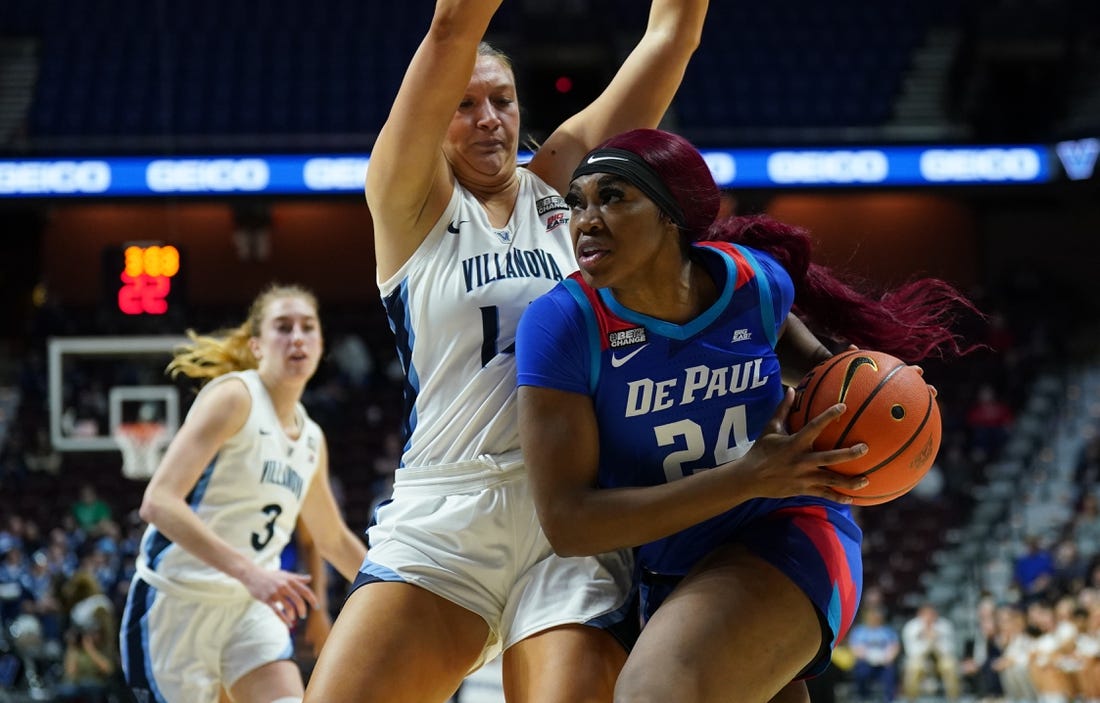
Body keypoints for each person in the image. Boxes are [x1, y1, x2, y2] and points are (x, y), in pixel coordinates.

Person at [304, 1, 708, 701]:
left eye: (503, 100)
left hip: (568, 514)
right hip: (445, 514)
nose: (489, 117)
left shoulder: (560, 186)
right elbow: (451, 25)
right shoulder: (409, 202)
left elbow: (671, 34)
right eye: (465, 104)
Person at [514, 128, 977, 703]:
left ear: (672, 215)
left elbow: (819, 372)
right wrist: (744, 476)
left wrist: (869, 413)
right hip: (672, 565)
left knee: (655, 692)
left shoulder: (752, 283)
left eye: (613, 197)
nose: (587, 219)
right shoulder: (563, 323)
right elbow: (568, 524)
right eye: (577, 201)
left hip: (787, 530)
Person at [119, 284, 367, 703]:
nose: (297, 338)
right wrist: (251, 573)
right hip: (177, 604)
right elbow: (158, 501)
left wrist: (401, 590)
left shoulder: (311, 437)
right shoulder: (236, 397)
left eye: (308, 328)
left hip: (249, 609)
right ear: (256, 346)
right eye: (282, 327)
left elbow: (331, 539)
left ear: (321, 345)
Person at [901, 603, 961, 701]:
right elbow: (911, 652)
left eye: (932, 614)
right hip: (919, 658)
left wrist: (935, 641)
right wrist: (927, 642)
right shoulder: (911, 627)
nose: (929, 617)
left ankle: (954, 700)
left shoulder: (945, 626)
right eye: (926, 614)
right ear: (920, 614)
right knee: (913, 667)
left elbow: (950, 650)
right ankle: (911, 700)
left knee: (950, 666)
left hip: (941, 658)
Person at [849, 606, 901, 702]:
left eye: (876, 615)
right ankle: (863, 697)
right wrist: (868, 657)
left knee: (890, 670)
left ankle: (889, 699)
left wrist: (888, 657)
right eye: (871, 615)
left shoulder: (888, 631)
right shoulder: (859, 631)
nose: (874, 617)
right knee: (860, 670)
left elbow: (894, 647)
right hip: (866, 661)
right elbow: (855, 649)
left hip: (884, 662)